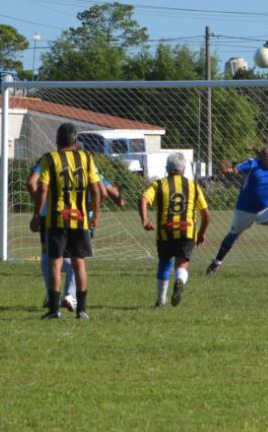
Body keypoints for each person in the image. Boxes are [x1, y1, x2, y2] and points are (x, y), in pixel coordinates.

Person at [27, 165, 124, 312]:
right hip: (80, 217)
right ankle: (69, 296)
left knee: (49, 255)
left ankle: (52, 295)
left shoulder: (52, 161)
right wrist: (93, 209)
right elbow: (104, 191)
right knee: (76, 257)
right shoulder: (86, 164)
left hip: (52, 215)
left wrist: (41, 203)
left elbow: (32, 183)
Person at [32, 123, 101, 319]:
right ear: (75, 140)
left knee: (55, 262)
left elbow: (42, 189)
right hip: (80, 219)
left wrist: (37, 215)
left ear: (57, 139)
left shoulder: (50, 158)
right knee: (79, 263)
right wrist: (95, 216)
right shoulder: (86, 158)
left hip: (57, 218)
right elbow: (96, 190)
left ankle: (54, 310)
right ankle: (82, 310)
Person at [139, 152, 210, 307]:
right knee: (182, 263)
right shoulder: (193, 186)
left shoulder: (158, 185)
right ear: (184, 169)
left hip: (165, 230)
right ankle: (179, 280)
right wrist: (201, 233)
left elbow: (144, 199)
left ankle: (161, 300)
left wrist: (145, 220)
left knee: (164, 263)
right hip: (187, 230)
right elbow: (206, 214)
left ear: (167, 168)